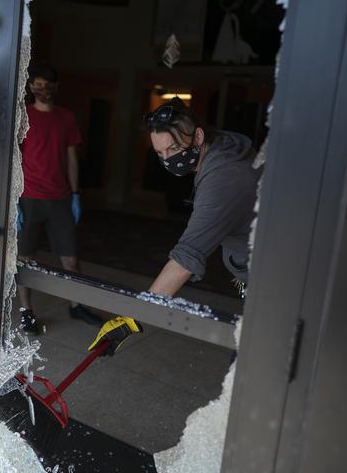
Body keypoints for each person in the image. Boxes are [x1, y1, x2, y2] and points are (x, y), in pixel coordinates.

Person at [90, 97, 262, 354]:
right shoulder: (221, 145)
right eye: (159, 153)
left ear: (199, 136)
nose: (168, 159)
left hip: (276, 283)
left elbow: (186, 257)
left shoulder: (224, 179)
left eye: (173, 148)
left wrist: (132, 319)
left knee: (250, 365)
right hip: (259, 268)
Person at [17, 65, 102, 335]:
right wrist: (13, 199)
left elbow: (71, 158)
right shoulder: (23, 117)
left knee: (71, 260)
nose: (43, 91)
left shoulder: (66, 118)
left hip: (60, 199)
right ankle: (26, 312)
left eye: (48, 86)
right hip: (29, 197)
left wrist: (76, 194)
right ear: (31, 87)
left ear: (56, 88)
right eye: (38, 85)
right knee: (26, 259)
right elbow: (13, 157)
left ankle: (76, 305)